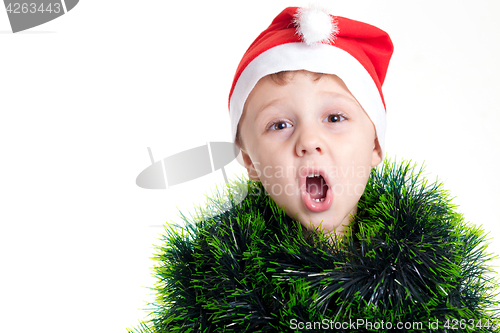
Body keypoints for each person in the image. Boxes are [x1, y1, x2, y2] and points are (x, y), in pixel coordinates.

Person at [131, 6, 499, 332]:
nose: (308, 140)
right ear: (249, 162)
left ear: (374, 146)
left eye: (334, 118)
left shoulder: (431, 277)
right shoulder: (213, 285)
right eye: (279, 125)